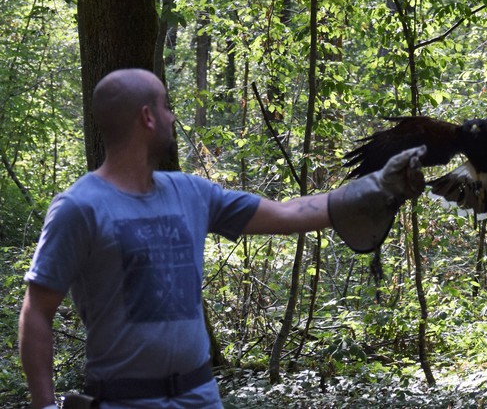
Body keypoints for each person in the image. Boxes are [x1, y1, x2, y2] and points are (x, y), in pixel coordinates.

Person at [18, 68, 426, 409]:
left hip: (199, 395)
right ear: (147, 117)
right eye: (165, 106)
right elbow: (37, 310)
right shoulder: (79, 207)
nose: (172, 117)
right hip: (122, 400)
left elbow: (287, 214)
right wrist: (45, 405)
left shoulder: (191, 193)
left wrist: (375, 186)